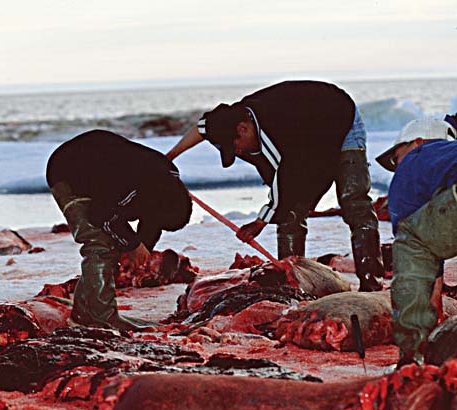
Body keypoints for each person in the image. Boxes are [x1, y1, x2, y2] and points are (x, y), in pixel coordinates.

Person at [166, 80, 384, 292]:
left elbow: (286, 179)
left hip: (338, 116)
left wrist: (261, 221)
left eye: (235, 147)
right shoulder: (225, 120)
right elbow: (201, 129)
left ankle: (371, 283)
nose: (239, 153)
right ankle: (292, 283)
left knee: (354, 201)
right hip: (307, 137)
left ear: (243, 129)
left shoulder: (276, 136)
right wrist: (169, 157)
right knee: (290, 213)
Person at [47, 130, 192, 331]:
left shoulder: (165, 182)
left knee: (115, 241)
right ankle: (102, 316)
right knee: (99, 244)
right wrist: (132, 244)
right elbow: (100, 215)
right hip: (70, 170)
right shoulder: (134, 186)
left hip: (104, 172)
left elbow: (153, 219)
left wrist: (143, 247)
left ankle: (84, 314)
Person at [374, 118, 457, 366]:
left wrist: (429, 328)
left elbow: (420, 261)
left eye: (396, 156)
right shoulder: (445, 159)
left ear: (417, 142)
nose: (397, 165)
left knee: (410, 243)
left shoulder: (414, 162)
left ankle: (413, 358)